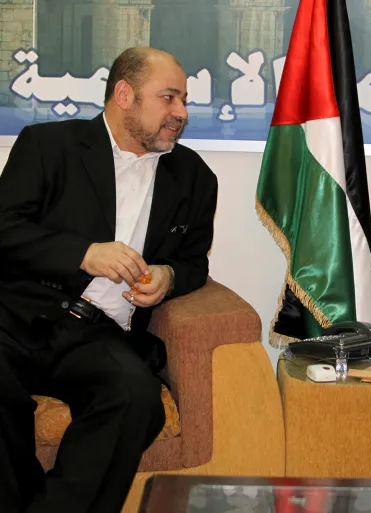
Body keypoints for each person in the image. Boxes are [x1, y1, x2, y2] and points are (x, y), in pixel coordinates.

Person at [0, 47, 218, 512]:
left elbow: (194, 262)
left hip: (98, 334)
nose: (181, 112)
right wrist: (83, 254)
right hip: (17, 316)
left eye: (184, 100)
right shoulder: (49, 146)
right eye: (168, 98)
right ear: (124, 95)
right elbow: (5, 229)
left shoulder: (194, 177)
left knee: (136, 398)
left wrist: (168, 276)